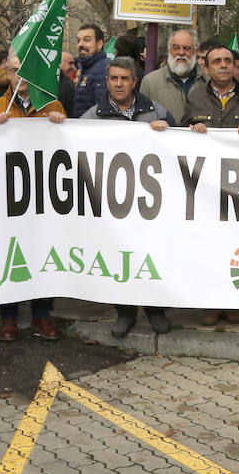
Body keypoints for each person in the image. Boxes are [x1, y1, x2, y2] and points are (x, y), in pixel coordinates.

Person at [64, 57, 175, 338]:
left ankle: (155, 311)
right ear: (108, 81)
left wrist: (168, 130)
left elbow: (182, 149)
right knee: (119, 257)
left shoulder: (156, 111)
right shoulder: (92, 116)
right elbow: (74, 146)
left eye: (125, 79)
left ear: (134, 81)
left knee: (151, 255)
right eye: (114, 78)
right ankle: (125, 313)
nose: (119, 84)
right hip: (112, 202)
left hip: (150, 202)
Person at [183, 42, 239, 327]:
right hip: (206, 189)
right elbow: (179, 138)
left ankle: (234, 302)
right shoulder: (195, 98)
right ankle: (210, 303)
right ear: (206, 68)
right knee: (209, 247)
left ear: (235, 66)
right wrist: (191, 130)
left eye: (228, 60)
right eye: (216, 61)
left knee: (238, 244)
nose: (223, 65)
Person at [0, 53, 64, 341]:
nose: (22, 76)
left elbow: (66, 146)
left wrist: (59, 122)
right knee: (11, 253)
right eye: (16, 71)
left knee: (42, 252)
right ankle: (8, 317)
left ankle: (42, 315)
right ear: (8, 75)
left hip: (43, 195)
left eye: (27, 70)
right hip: (9, 195)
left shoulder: (51, 104)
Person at [140, 29, 206, 123]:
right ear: (169, 50)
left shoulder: (209, 81)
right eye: (176, 48)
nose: (181, 53)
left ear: (196, 51)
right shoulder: (150, 82)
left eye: (187, 48)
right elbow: (142, 121)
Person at [73, 24, 110, 117]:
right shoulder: (87, 67)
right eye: (78, 41)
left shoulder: (103, 69)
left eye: (87, 40)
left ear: (99, 44)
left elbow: (103, 109)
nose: (81, 44)